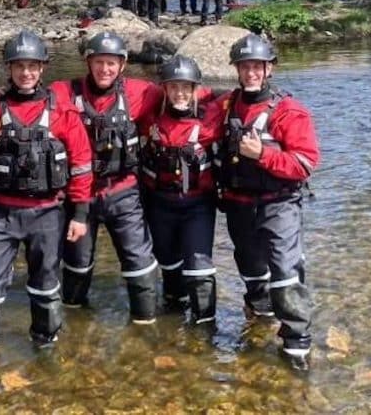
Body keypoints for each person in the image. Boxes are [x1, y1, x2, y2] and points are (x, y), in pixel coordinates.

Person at [0, 30, 93, 354]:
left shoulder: (62, 111)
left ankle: (45, 343)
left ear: (43, 69)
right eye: (19, 66)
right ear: (9, 68)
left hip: (48, 213)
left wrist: (79, 215)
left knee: (46, 283)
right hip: (0, 215)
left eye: (32, 66)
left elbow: (81, 164)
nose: (26, 73)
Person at [209, 33, 319, 369]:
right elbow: (194, 120)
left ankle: (296, 344)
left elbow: (305, 163)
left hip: (278, 204)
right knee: (251, 270)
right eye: (245, 67)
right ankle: (259, 316)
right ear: (237, 70)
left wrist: (264, 155)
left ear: (269, 69)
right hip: (239, 204)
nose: (251, 73)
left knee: (285, 272)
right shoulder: (225, 105)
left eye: (257, 66)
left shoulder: (289, 111)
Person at [51, 31, 162, 325]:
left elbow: (184, 93)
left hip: (123, 191)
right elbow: (25, 98)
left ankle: (145, 322)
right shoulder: (63, 92)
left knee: (137, 260)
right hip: (79, 196)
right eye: (99, 62)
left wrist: (227, 98)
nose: (105, 69)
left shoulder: (143, 92)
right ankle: (74, 324)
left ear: (123, 65)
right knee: (77, 263)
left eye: (112, 63)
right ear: (88, 62)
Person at [140, 55, 219, 324]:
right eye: (173, 87)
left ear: (196, 89)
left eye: (186, 87)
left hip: (197, 205)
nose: (180, 93)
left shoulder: (212, 117)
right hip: (159, 203)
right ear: (164, 88)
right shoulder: (151, 115)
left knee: (199, 268)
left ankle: (205, 326)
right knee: (168, 263)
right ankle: (173, 315)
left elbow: (243, 101)